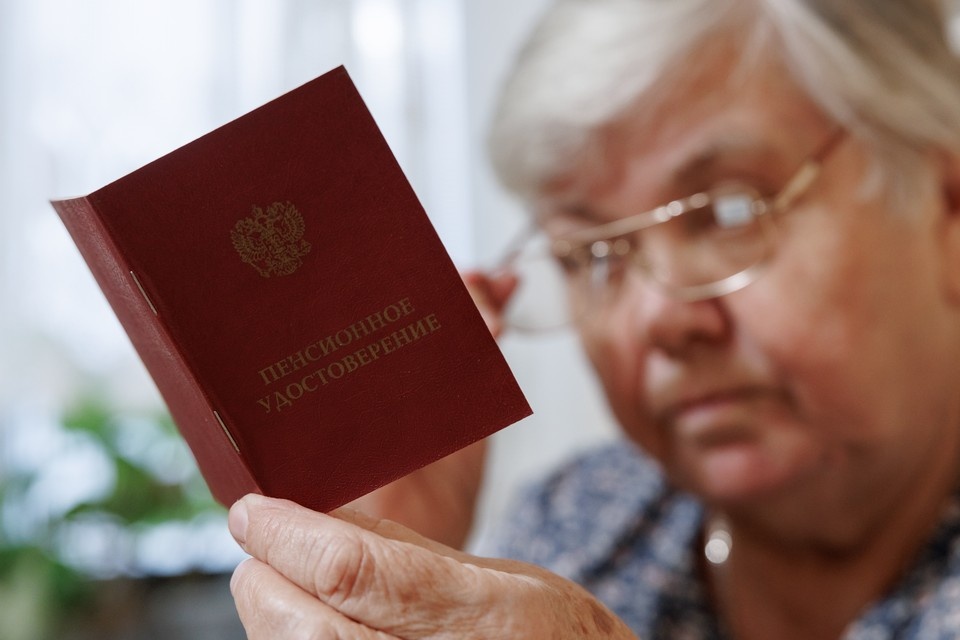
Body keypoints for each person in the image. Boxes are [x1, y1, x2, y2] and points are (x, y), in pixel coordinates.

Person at [227, 0, 960, 637]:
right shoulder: (574, 523)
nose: (658, 319)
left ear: (948, 209)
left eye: (729, 212)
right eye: (593, 254)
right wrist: (389, 579)